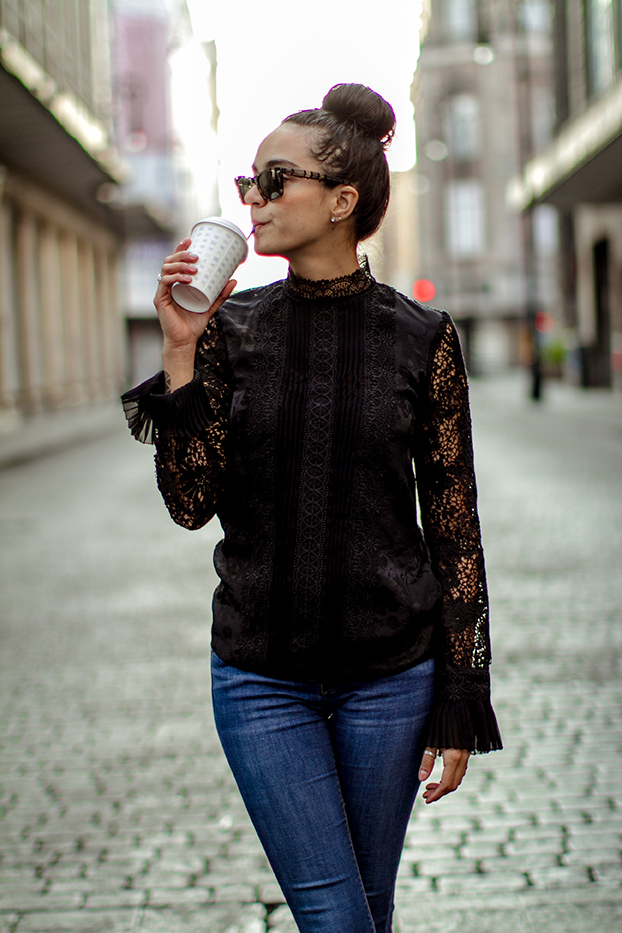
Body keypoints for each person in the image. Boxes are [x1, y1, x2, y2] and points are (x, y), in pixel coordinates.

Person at [122, 83, 502, 933]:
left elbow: (454, 527)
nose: (252, 199)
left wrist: (463, 691)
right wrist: (180, 351)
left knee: (366, 909)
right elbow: (190, 502)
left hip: (392, 678)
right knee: (337, 915)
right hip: (260, 676)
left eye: (274, 179)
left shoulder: (423, 338)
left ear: (342, 200)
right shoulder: (229, 330)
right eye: (248, 181)